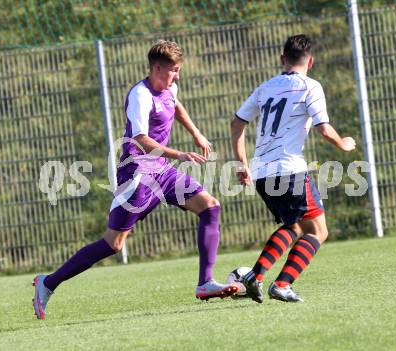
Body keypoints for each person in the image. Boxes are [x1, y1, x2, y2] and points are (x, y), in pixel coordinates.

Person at [32, 40, 238, 320]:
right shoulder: (140, 96)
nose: (176, 76)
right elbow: (141, 139)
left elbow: (176, 106)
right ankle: (48, 282)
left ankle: (205, 283)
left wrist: (197, 134)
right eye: (173, 70)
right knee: (113, 244)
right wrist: (180, 153)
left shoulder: (169, 87)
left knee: (210, 206)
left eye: (178, 70)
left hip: (162, 171)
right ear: (156, 68)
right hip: (138, 176)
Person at [230, 34, 356, 303]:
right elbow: (324, 129)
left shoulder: (265, 87)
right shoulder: (310, 86)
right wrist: (343, 143)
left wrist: (242, 163)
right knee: (317, 231)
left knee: (296, 227)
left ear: (281, 59)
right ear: (310, 62)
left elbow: (237, 124)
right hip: (290, 170)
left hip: (262, 172)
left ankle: (258, 277)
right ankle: (275, 281)